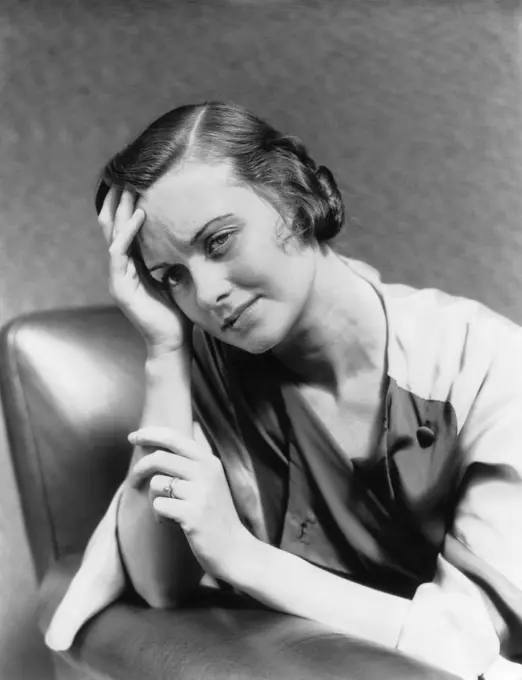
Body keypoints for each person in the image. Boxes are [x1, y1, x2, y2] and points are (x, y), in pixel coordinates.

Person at [44, 101, 522, 680]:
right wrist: (165, 350)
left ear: (295, 198)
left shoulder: (490, 366)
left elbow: (469, 642)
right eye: (173, 275)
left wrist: (244, 559)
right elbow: (158, 586)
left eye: (219, 241)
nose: (208, 294)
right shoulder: (214, 370)